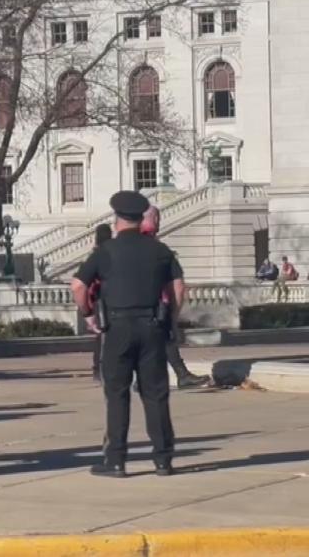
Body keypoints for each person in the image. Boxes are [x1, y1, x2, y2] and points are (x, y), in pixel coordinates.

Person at [72, 191, 183, 478]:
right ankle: (163, 459)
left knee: (117, 394)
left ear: (117, 218)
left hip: (118, 327)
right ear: (141, 218)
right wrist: (171, 318)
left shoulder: (105, 251)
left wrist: (88, 314)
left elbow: (78, 286)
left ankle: (117, 460)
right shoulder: (160, 250)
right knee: (156, 395)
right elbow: (179, 288)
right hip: (152, 325)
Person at [141, 206, 211, 389]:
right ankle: (182, 375)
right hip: (156, 304)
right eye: (158, 218)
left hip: (126, 307)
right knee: (167, 339)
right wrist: (174, 312)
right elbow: (178, 286)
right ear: (155, 220)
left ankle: (140, 379)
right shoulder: (160, 249)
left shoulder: (121, 247)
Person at [87, 223, 114, 384]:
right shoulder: (114, 253)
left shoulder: (95, 255)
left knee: (100, 337)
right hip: (112, 298)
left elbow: (86, 283)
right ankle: (103, 369)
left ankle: (98, 369)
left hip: (99, 300)